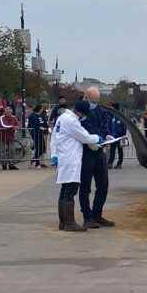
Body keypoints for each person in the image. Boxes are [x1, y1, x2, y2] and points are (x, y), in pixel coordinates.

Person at [50, 100, 102, 232]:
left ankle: (63, 222)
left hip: (64, 156)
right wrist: (97, 138)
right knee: (70, 191)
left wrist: (54, 154)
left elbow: (54, 137)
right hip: (71, 158)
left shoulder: (62, 117)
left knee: (65, 191)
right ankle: (69, 223)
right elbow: (84, 137)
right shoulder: (71, 121)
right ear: (81, 112)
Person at [79, 87, 115, 228]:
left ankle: (97, 214)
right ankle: (87, 217)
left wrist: (107, 136)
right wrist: (88, 141)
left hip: (99, 152)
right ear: (86, 97)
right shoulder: (80, 111)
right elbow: (78, 131)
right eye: (92, 100)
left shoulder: (100, 111)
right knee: (85, 187)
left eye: (96, 101)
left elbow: (104, 126)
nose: (94, 103)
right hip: (86, 153)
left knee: (103, 185)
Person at [28, 104, 47, 168]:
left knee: (42, 148)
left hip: (41, 133)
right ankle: (37, 163)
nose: (42, 109)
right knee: (38, 148)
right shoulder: (32, 116)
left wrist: (46, 128)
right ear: (39, 109)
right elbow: (33, 125)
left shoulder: (41, 115)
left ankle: (34, 159)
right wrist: (42, 128)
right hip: (35, 133)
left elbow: (44, 123)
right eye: (41, 108)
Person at [107, 102, 126, 169]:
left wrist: (123, 135)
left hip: (120, 137)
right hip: (113, 137)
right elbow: (109, 126)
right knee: (112, 150)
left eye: (112, 108)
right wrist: (109, 133)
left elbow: (124, 126)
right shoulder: (110, 116)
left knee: (120, 150)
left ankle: (119, 163)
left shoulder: (121, 116)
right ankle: (110, 163)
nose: (111, 109)